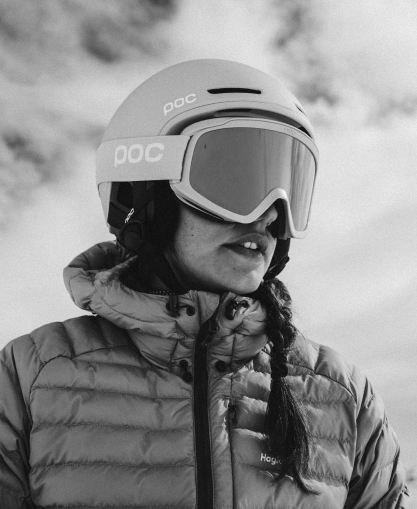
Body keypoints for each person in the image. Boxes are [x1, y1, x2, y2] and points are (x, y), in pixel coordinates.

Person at [0, 59, 411, 508]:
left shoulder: (342, 395)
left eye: (287, 189)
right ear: (146, 194)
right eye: (233, 179)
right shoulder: (31, 377)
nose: (269, 214)